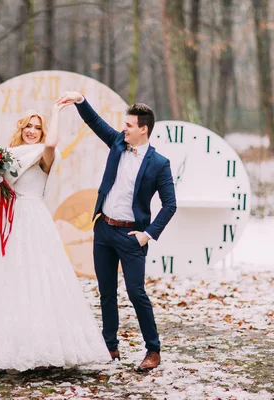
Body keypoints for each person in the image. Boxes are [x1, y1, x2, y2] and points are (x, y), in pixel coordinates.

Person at [0, 104, 110, 372]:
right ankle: (4, 347)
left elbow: (53, 142)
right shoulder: (7, 156)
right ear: (20, 129)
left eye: (38, 127)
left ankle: (44, 347)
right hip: (11, 220)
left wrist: (56, 113)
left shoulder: (45, 153)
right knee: (7, 279)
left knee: (38, 277)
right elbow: (1, 196)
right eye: (28, 126)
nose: (32, 132)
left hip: (34, 218)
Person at [56, 91, 177, 371]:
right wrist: (80, 100)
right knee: (106, 292)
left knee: (136, 293)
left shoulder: (159, 164)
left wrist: (148, 234)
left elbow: (170, 205)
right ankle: (109, 347)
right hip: (104, 230)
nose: (124, 129)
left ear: (143, 129)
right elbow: (95, 122)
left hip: (132, 236)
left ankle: (153, 350)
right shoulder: (117, 143)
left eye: (129, 126)